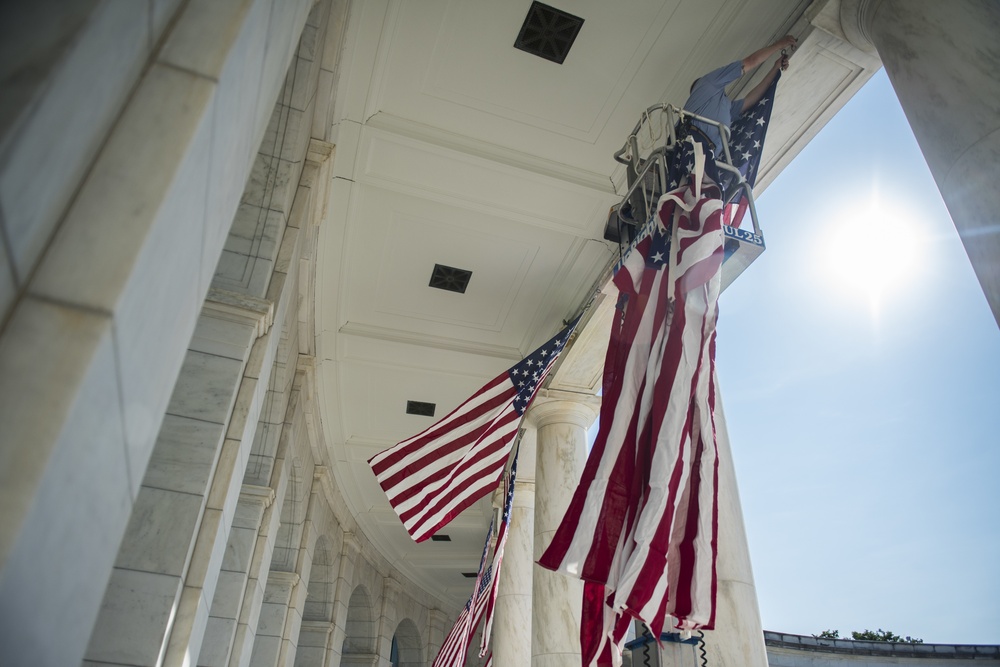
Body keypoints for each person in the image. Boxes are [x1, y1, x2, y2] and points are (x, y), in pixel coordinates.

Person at [681, 35, 797, 154]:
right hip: (693, 149)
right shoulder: (708, 82)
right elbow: (750, 61)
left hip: (703, 157)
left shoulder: (723, 106)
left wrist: (775, 67)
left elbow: (750, 100)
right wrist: (778, 45)